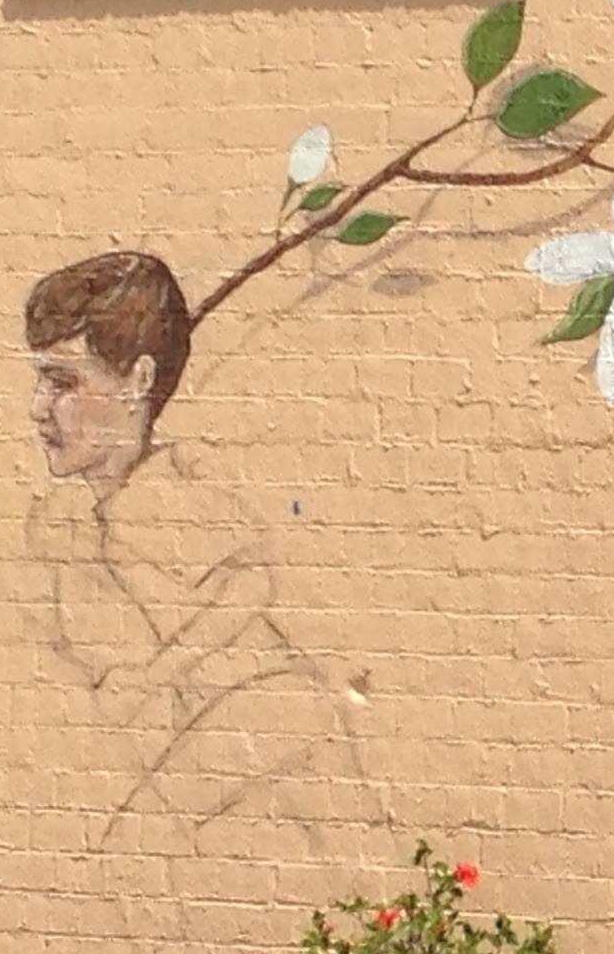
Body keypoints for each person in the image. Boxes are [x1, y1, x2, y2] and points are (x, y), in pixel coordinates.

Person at [24, 252, 376, 844]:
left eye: (64, 382)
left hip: (275, 713)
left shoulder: (164, 492)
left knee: (133, 848)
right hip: (236, 738)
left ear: (137, 381)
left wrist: (153, 676)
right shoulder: (98, 517)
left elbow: (252, 581)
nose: (38, 408)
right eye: (40, 378)